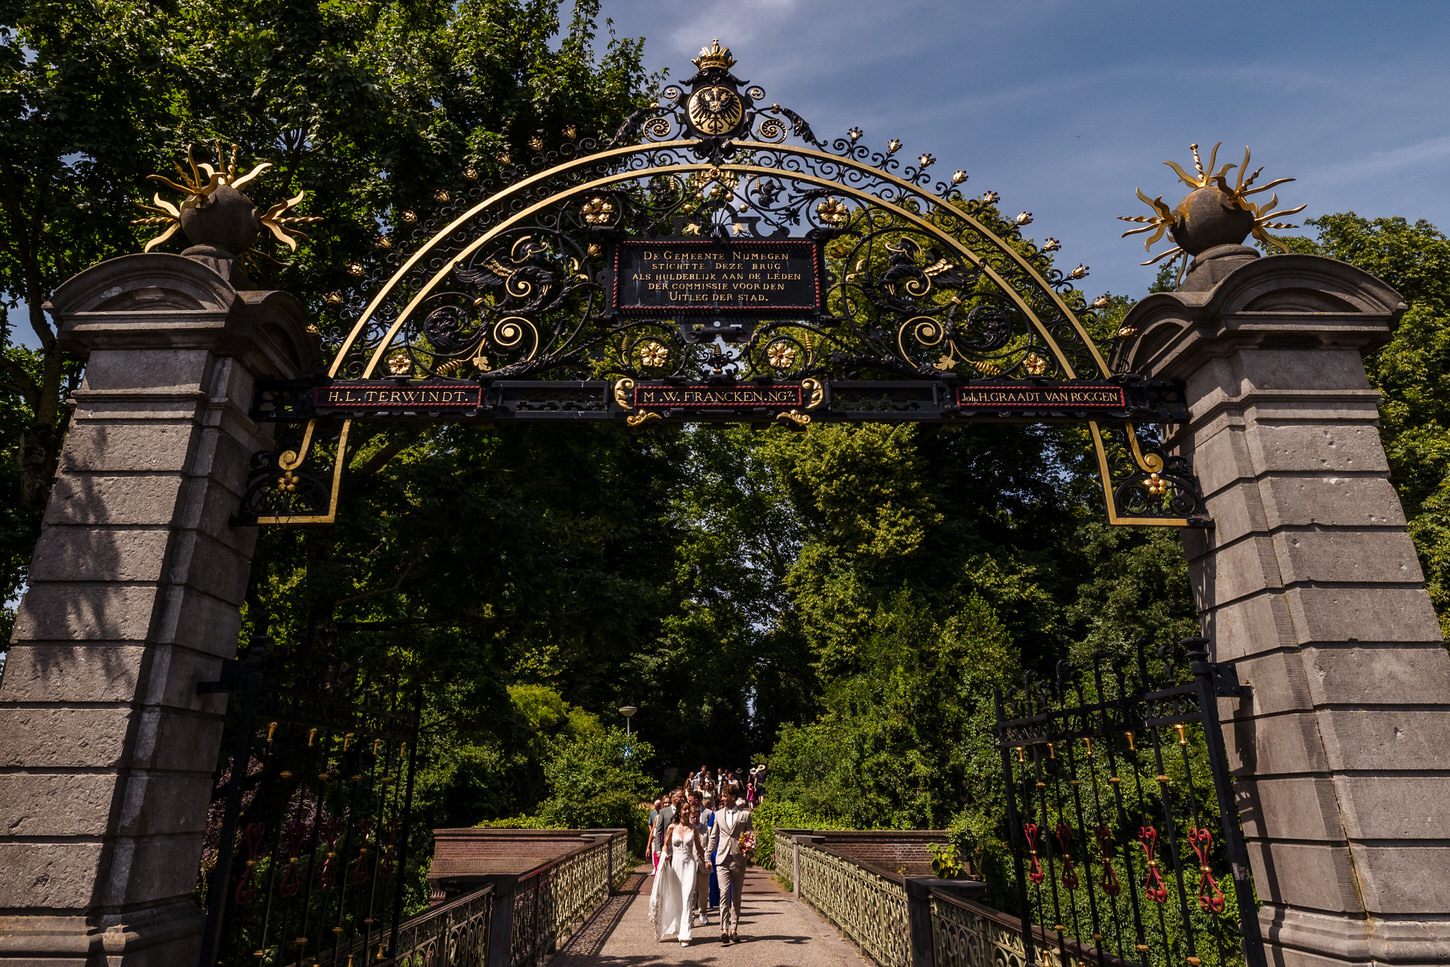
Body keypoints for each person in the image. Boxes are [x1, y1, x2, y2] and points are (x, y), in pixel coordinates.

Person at [650, 799, 704, 947]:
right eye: (684, 809)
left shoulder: (694, 828)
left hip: (690, 865)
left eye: (689, 809)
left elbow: (698, 847)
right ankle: (679, 928)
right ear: (679, 811)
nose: (687, 812)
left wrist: (705, 857)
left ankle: (686, 933)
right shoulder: (672, 828)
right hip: (676, 865)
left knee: (687, 897)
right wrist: (664, 855)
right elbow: (666, 845)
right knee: (677, 897)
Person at [706, 796, 754, 944]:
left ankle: (734, 929)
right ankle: (723, 930)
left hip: (738, 858)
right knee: (724, 893)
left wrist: (749, 849)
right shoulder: (718, 814)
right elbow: (713, 837)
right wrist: (708, 856)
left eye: (726, 797)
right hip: (722, 858)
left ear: (733, 798)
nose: (723, 799)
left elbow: (749, 834)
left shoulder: (744, 815)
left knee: (736, 895)